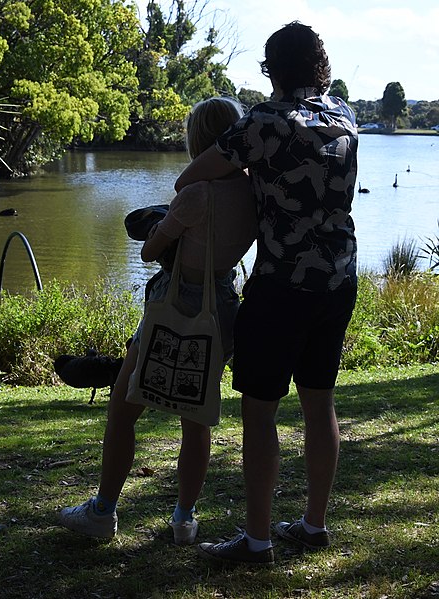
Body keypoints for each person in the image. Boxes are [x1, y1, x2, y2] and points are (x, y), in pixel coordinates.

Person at [174, 22, 358, 565]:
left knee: (260, 414)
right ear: (320, 66)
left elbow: (192, 177)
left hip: (280, 287)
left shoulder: (264, 123)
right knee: (320, 401)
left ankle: (257, 542)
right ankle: (313, 524)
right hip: (338, 281)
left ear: (271, 70)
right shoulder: (344, 113)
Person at [58, 97, 257, 545]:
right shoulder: (252, 193)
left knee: (123, 410)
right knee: (197, 420)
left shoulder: (196, 194)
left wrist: (162, 225)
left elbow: (150, 251)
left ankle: (103, 511)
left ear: (199, 143)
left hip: (175, 307)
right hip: (222, 306)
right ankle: (184, 519)